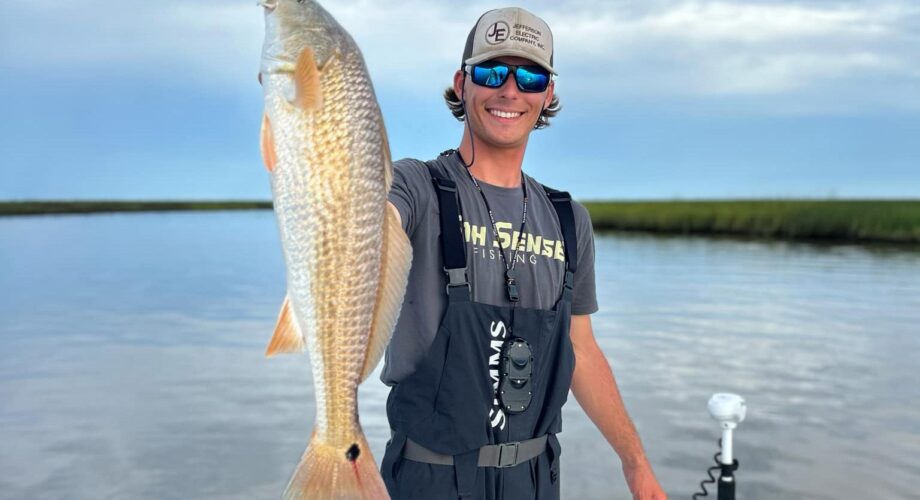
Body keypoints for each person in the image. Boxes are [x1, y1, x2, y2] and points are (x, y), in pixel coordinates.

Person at [379, 7, 667, 500]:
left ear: (547, 93)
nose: (510, 90)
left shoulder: (567, 217)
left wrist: (636, 464)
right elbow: (367, 217)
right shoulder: (417, 188)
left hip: (534, 480)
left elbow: (582, 349)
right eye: (492, 71)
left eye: (530, 76)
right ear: (462, 82)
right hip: (428, 478)